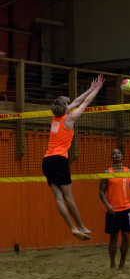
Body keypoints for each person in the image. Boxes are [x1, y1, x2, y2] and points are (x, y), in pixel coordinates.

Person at [42, 75, 105, 241]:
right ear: (65, 109)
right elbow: (83, 103)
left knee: (58, 198)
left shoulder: (55, 119)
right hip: (59, 160)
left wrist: (89, 89)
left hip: (47, 160)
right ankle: (81, 226)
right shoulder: (69, 118)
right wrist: (97, 89)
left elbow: (76, 102)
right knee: (68, 196)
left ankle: (72, 228)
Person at [99, 149, 130, 269]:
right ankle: (112, 263)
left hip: (126, 209)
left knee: (126, 236)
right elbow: (101, 192)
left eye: (118, 153)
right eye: (114, 153)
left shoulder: (129, 172)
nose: (116, 154)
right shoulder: (107, 172)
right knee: (113, 237)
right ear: (111, 157)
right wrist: (107, 204)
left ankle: (122, 263)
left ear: (122, 156)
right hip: (112, 209)